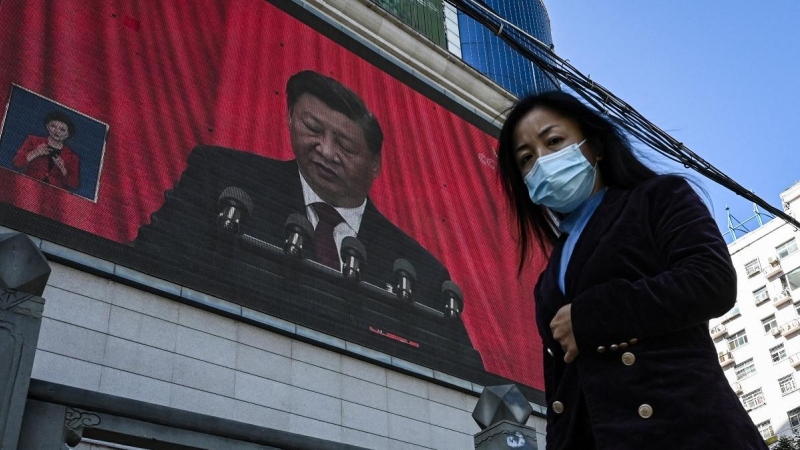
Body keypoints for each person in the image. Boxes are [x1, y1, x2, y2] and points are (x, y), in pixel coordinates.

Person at [496, 91, 767, 449]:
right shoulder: (549, 276)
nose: (542, 161)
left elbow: (711, 280)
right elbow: (565, 387)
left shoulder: (657, 197)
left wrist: (592, 317)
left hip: (684, 429)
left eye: (554, 141)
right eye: (527, 158)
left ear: (594, 147)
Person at [134, 70, 458, 330]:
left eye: (345, 145)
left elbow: (459, 377)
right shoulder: (222, 179)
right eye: (312, 128)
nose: (326, 151)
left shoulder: (421, 272)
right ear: (290, 118)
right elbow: (148, 265)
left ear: (375, 163)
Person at [13, 111, 80, 190]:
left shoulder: (72, 157)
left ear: (68, 134)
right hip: (28, 188)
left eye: (62, 130)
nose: (57, 131)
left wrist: (62, 168)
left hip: (54, 196)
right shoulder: (33, 140)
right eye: (53, 126)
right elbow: (17, 163)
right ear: (47, 126)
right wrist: (36, 152)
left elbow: (74, 184)